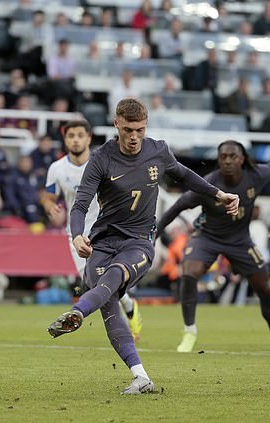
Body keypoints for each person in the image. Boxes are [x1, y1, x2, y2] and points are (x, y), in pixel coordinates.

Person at [46, 99, 239, 394]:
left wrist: (217, 194)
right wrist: (76, 236)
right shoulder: (101, 158)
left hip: (138, 242)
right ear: (116, 125)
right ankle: (140, 376)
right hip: (102, 242)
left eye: (139, 130)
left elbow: (185, 175)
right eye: (127, 130)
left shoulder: (158, 150)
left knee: (112, 278)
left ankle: (78, 312)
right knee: (109, 304)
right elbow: (80, 204)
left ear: (145, 125)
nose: (134, 136)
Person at [155, 140, 270, 353]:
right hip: (207, 237)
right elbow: (178, 206)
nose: (227, 160)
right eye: (223, 156)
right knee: (189, 273)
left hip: (240, 240)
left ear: (242, 159)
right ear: (218, 159)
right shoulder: (208, 184)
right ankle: (190, 332)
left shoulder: (257, 175)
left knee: (263, 287)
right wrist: (155, 234)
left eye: (232, 156)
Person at [41, 120, 144, 341]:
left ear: (88, 138)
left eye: (80, 135)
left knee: (104, 284)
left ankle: (123, 330)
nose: (76, 139)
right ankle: (129, 305)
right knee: (97, 284)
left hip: (107, 229)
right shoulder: (57, 169)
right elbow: (47, 196)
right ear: (65, 139)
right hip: (77, 234)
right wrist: (50, 206)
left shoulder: (102, 162)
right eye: (71, 136)